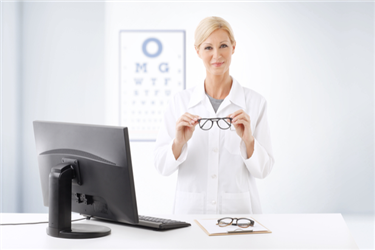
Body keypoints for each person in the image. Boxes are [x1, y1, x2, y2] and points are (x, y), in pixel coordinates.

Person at [154, 16, 274, 214]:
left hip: (238, 214)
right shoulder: (180, 102)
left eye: (223, 46)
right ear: (197, 51)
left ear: (233, 47)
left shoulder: (255, 103)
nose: (217, 55)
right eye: (208, 47)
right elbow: (162, 166)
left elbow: (263, 170)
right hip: (191, 212)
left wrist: (249, 141)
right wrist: (178, 143)